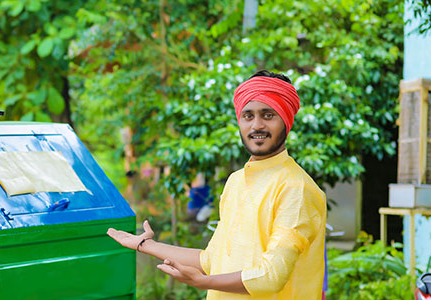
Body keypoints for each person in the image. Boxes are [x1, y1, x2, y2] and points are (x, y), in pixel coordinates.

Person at [107, 70, 326, 299]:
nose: (257, 125)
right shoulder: (236, 181)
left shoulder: (296, 188)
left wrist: (205, 282)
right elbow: (212, 259)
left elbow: (271, 276)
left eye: (268, 115)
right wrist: (146, 245)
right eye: (248, 116)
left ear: (286, 120)